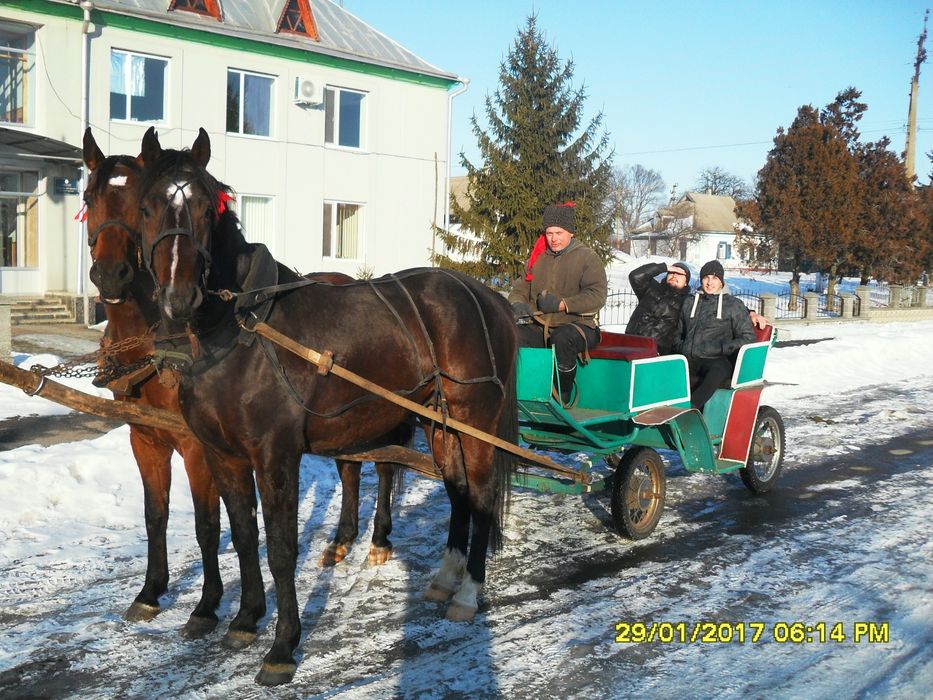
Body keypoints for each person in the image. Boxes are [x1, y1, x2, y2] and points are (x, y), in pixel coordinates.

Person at [509, 202, 607, 404]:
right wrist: (517, 304)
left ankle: (563, 394)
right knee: (513, 335)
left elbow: (597, 295)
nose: (553, 239)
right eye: (549, 233)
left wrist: (562, 304)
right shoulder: (537, 258)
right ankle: (523, 394)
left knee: (561, 338)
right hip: (541, 325)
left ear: (571, 232)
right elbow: (519, 289)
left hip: (580, 326)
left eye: (559, 233)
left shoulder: (588, 257)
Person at [676, 259, 757, 410]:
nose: (709, 282)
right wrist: (682, 346)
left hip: (716, 359)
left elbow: (748, 338)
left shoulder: (733, 304)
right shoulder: (689, 302)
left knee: (718, 370)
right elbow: (677, 332)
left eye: (714, 278)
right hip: (688, 358)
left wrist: (719, 347)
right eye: (706, 277)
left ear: (721, 281)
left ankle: (691, 408)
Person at [625, 261, 692, 354]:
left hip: (657, 352)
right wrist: (663, 267)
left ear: (686, 283)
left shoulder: (687, 302)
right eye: (672, 272)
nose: (674, 275)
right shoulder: (651, 288)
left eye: (680, 274)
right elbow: (635, 276)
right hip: (629, 344)